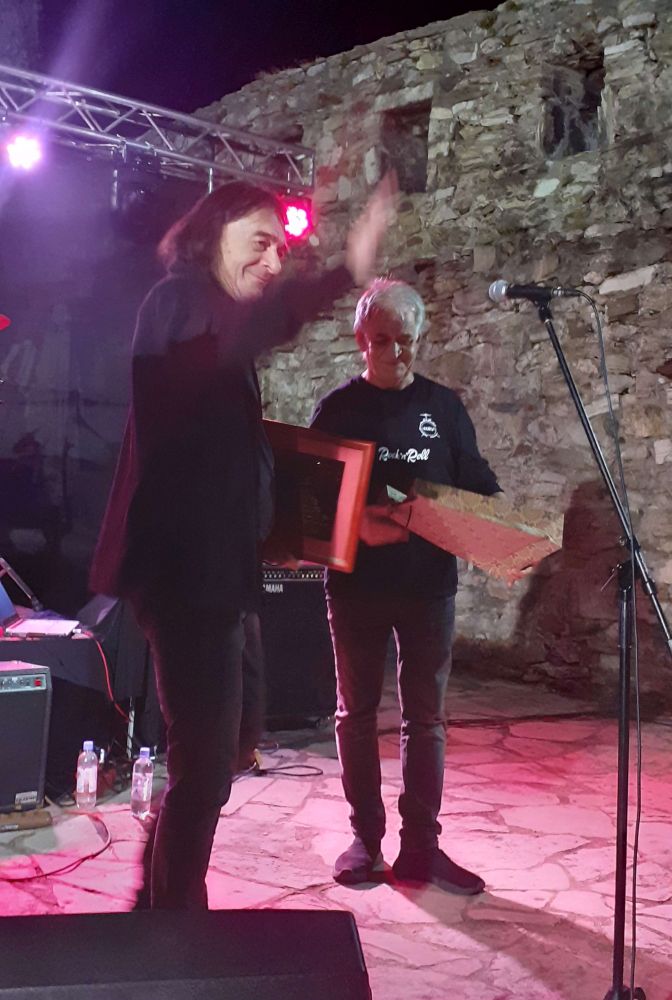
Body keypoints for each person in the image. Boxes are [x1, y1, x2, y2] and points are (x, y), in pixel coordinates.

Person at [89, 177, 394, 909]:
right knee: (205, 766)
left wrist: (279, 530)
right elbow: (238, 342)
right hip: (185, 577)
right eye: (261, 241)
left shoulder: (212, 323)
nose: (274, 260)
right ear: (213, 232)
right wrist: (344, 272)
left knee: (228, 746)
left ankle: (158, 902)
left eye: (282, 249)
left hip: (221, 571)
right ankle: (172, 921)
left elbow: (226, 454)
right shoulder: (179, 303)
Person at [310, 278, 501, 894]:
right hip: (357, 587)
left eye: (407, 340)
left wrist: (496, 525)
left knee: (427, 719)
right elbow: (312, 502)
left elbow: (477, 482)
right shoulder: (338, 411)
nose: (395, 352)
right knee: (356, 714)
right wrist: (361, 519)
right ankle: (365, 840)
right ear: (360, 339)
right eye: (383, 340)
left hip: (428, 587)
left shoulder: (444, 408)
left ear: (421, 338)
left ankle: (421, 848)